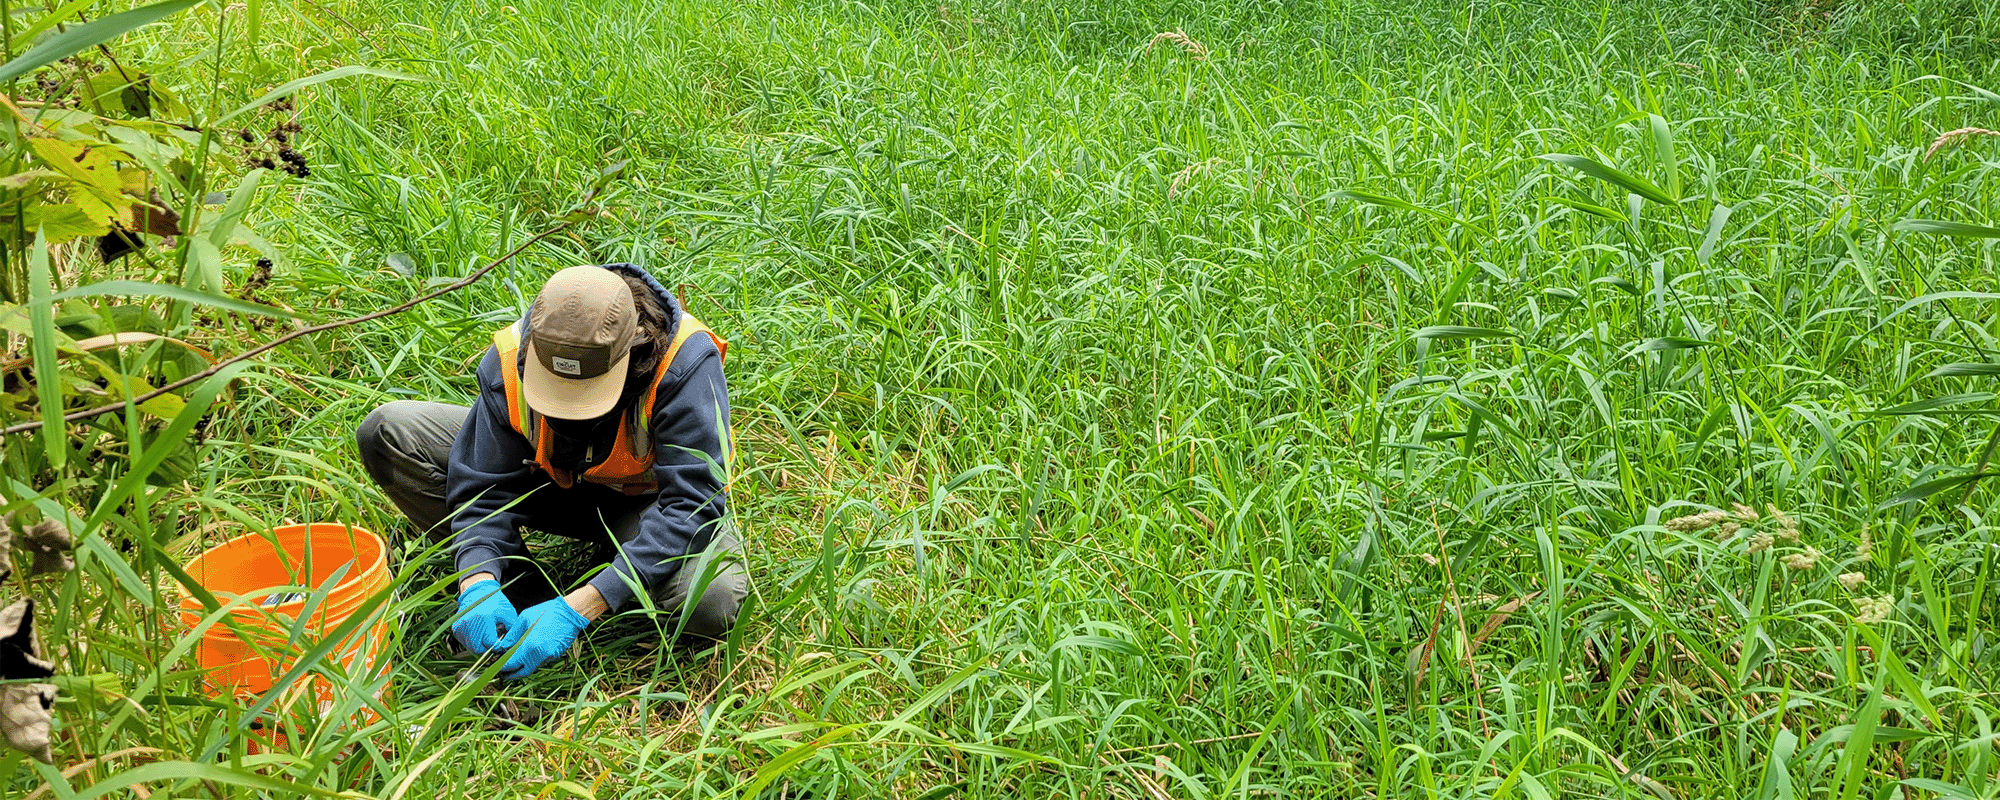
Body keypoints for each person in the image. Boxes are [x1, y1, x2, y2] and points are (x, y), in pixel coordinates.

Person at [355, 263, 745, 680]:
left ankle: (608, 579)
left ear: (632, 349)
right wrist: (477, 577)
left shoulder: (684, 362)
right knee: (390, 431)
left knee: (713, 600)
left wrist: (588, 603)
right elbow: (480, 488)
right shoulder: (512, 357)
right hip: (547, 483)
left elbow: (692, 502)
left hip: (645, 504)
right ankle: (520, 594)